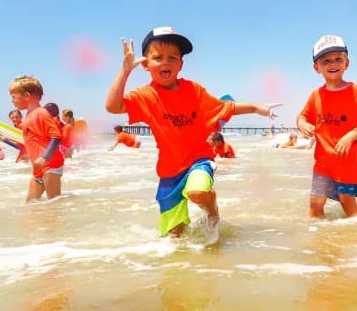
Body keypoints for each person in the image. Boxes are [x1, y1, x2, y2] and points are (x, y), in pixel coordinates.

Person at [105, 26, 281, 238]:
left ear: (181, 64)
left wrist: (256, 108)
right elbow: (113, 107)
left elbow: (225, 107)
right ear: (145, 64)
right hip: (169, 172)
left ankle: (212, 209)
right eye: (158, 57)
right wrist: (125, 70)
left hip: (199, 160)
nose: (166, 62)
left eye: (172, 57)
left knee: (196, 192)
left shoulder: (193, 90)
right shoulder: (145, 96)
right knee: (175, 236)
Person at [297, 35, 357, 219]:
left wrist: (351, 135)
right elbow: (302, 115)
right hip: (323, 163)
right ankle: (317, 237)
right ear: (316, 67)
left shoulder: (354, 90)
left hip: (347, 162)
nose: (332, 64)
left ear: (346, 63)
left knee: (346, 203)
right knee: (315, 203)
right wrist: (303, 123)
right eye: (326, 61)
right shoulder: (315, 95)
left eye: (338, 59)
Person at [9, 76, 64, 202]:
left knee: (54, 202)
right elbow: (29, 134)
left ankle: (58, 222)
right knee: (30, 203)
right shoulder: (30, 115)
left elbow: (56, 136)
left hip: (50, 164)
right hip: (38, 167)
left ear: (27, 96)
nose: (12, 101)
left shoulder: (41, 113)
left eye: (14, 97)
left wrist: (45, 157)